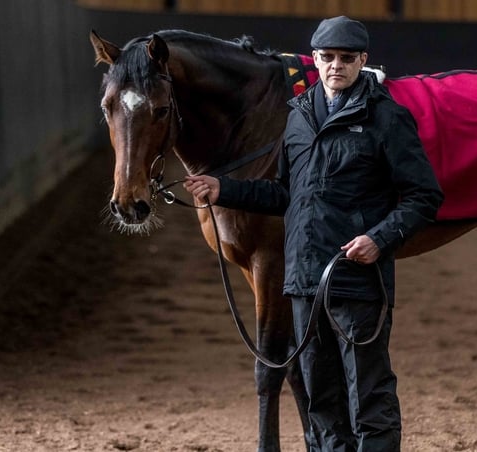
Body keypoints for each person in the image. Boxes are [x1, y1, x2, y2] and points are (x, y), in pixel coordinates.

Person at [184, 16, 443, 451]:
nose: (335, 66)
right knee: (321, 398)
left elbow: (424, 197)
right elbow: (284, 193)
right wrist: (222, 188)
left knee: (369, 397)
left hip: (357, 280)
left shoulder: (387, 119)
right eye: (327, 58)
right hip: (304, 282)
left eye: (346, 58)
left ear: (363, 60)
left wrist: (379, 239)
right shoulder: (299, 119)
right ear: (315, 59)